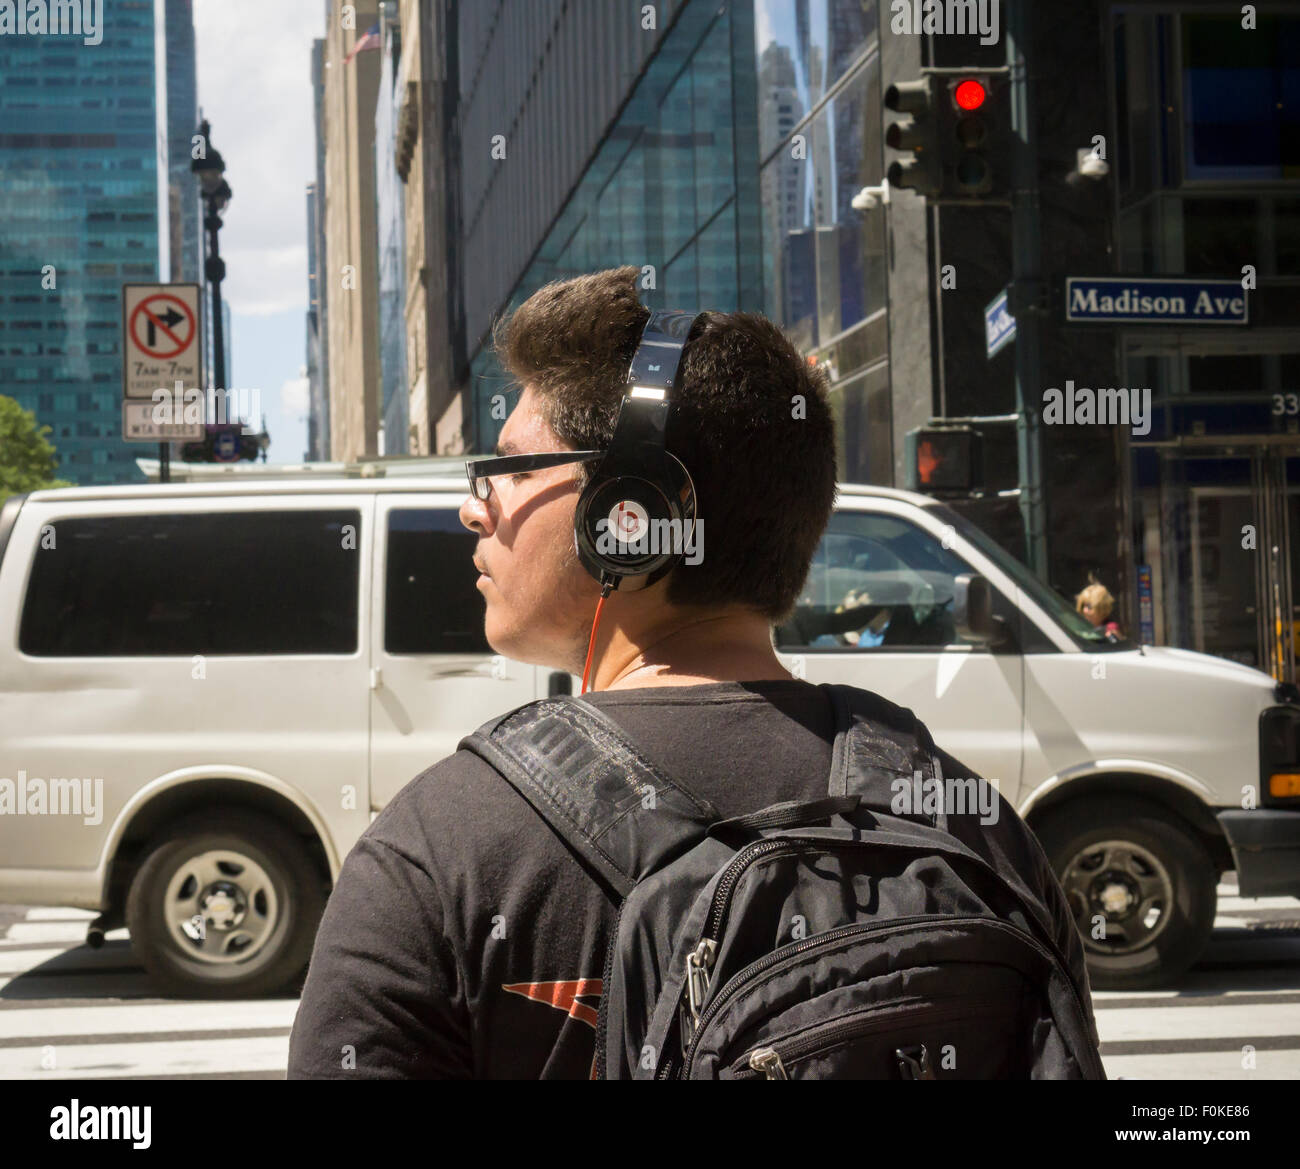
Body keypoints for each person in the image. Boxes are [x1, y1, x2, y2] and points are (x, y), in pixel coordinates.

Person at [287, 266, 1097, 1079]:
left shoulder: (438, 849)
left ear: (628, 514)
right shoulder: (978, 828)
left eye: (513, 469)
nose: (476, 506)